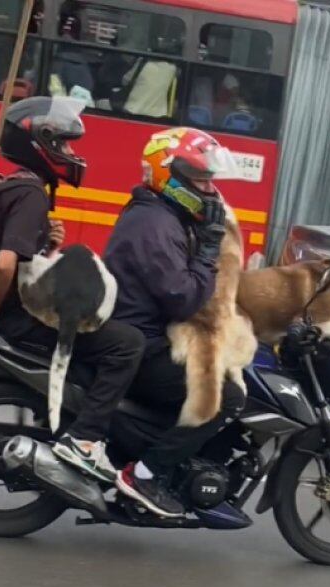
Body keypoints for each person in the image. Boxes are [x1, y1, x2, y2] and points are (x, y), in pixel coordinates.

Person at [0, 96, 144, 485]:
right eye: (63, 144)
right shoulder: (30, 194)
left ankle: (66, 418)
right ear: (39, 143)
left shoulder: (10, 187)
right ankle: (85, 439)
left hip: (20, 308)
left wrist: (47, 244)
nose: (69, 153)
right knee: (128, 343)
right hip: (20, 319)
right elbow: (5, 263)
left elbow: (22, 261)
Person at [103, 127, 244, 519]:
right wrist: (209, 252)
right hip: (143, 347)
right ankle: (144, 475)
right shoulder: (156, 225)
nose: (209, 189)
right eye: (200, 179)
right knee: (227, 398)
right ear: (170, 176)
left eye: (210, 178)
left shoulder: (164, 216)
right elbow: (182, 298)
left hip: (146, 336)